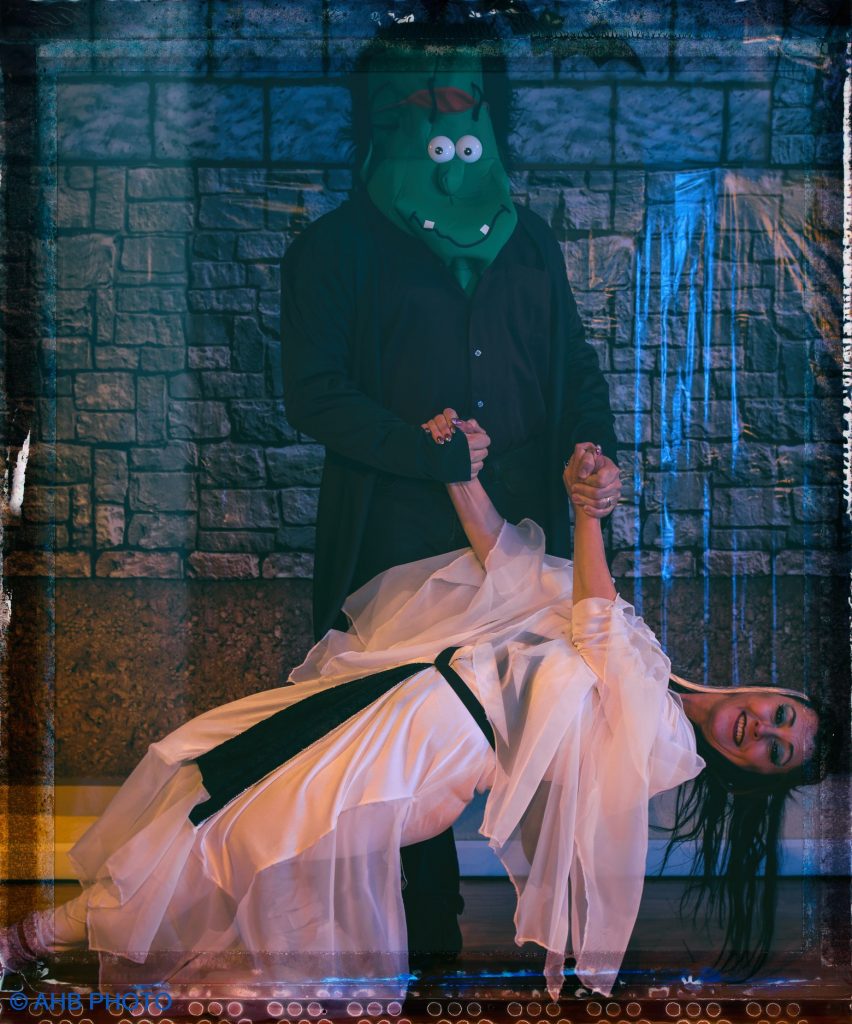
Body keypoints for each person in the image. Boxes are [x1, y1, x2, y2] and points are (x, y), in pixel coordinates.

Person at [0, 416, 823, 1001]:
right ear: (774, 690)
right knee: (215, 777)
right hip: (405, 697)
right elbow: (508, 565)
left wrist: (588, 512)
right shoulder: (661, 667)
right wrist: (456, 464)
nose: (764, 730)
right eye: (782, 717)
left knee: (249, 832)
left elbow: (594, 626)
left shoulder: (669, 746)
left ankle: (42, 938)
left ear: (753, 773)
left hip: (439, 743)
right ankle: (68, 935)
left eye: (776, 752)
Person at [280, 21, 621, 964]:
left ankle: (572, 940)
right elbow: (313, 392)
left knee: (553, 724)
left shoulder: (530, 242)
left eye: (459, 98)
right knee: (402, 739)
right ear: (380, 116)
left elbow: (573, 369)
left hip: (524, 539)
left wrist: (592, 454)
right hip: (394, 538)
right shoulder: (333, 249)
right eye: (416, 101)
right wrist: (422, 453)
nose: (441, 121)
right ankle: (425, 938)